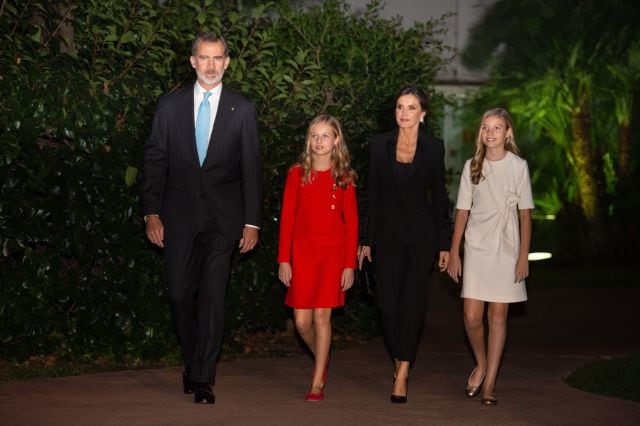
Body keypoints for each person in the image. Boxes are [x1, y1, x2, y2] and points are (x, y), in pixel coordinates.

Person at [142, 32, 262, 404]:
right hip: (177, 216)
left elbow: (251, 168)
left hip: (224, 220)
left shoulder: (242, 109)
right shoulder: (169, 105)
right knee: (179, 295)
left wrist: (252, 222)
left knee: (212, 297)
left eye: (218, 59)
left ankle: (203, 377)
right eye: (204, 58)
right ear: (192, 61)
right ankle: (194, 360)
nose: (211, 65)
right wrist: (151, 212)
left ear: (227, 63)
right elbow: (154, 160)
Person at [358, 85, 450, 404]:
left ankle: (403, 371)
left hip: (421, 236)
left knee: (412, 302)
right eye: (400, 107)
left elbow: (439, 197)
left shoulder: (434, 147)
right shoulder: (380, 144)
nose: (404, 113)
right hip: (385, 236)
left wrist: (444, 242)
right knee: (386, 303)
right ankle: (399, 355)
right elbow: (371, 194)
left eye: (411, 108)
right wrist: (365, 240)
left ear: (422, 114)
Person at [447, 108, 533, 406]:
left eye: (497, 128)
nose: (491, 133)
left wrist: (524, 256)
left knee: (498, 315)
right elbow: (462, 212)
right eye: (486, 127)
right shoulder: (473, 165)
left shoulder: (518, 166)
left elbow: (525, 216)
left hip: (507, 246)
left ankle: (491, 381)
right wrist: (455, 251)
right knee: (471, 315)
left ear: (508, 132)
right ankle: (481, 363)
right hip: (477, 245)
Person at [277, 115, 358, 402]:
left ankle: (317, 380)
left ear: (336, 140)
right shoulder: (297, 173)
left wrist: (350, 264)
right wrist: (283, 259)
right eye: (315, 136)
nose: (319, 141)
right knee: (302, 322)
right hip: (302, 254)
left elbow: (352, 224)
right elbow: (287, 218)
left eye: (326, 136)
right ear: (309, 140)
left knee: (323, 316)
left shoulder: (344, 177)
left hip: (332, 256)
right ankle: (321, 358)